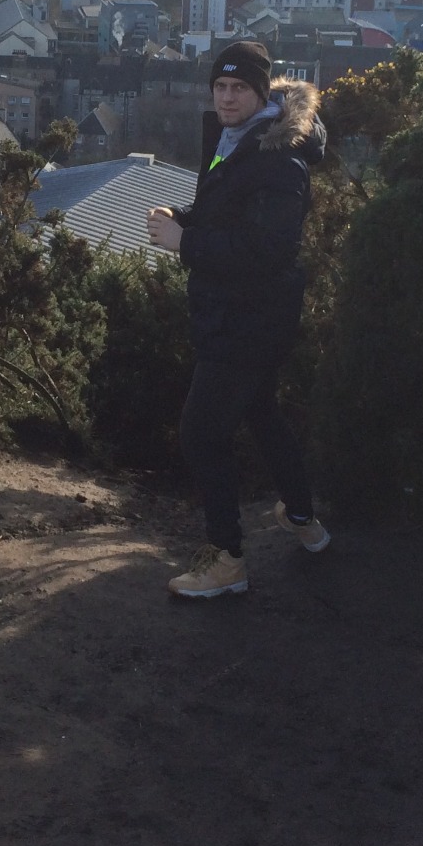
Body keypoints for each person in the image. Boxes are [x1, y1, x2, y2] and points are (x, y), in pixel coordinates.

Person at [147, 39, 330, 598]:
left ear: (260, 92)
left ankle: (226, 562)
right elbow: (223, 210)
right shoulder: (237, 138)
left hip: (247, 320)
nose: (226, 97)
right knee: (263, 415)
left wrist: (186, 243)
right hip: (250, 316)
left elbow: (265, 251)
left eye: (239, 88)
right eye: (220, 87)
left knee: (201, 434)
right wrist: (182, 217)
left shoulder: (281, 160)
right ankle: (304, 520)